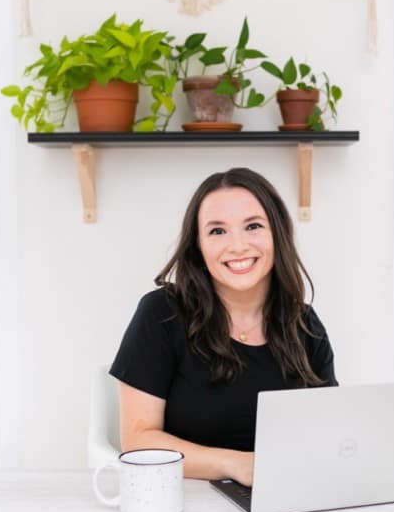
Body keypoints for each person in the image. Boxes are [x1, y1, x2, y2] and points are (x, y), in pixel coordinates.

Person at [109, 167, 337, 487]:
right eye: (218, 231)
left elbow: (329, 432)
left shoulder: (305, 325)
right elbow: (137, 440)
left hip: (284, 496)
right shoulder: (161, 313)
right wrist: (236, 464)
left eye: (253, 226)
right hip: (185, 500)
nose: (238, 245)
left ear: (278, 235)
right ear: (198, 247)